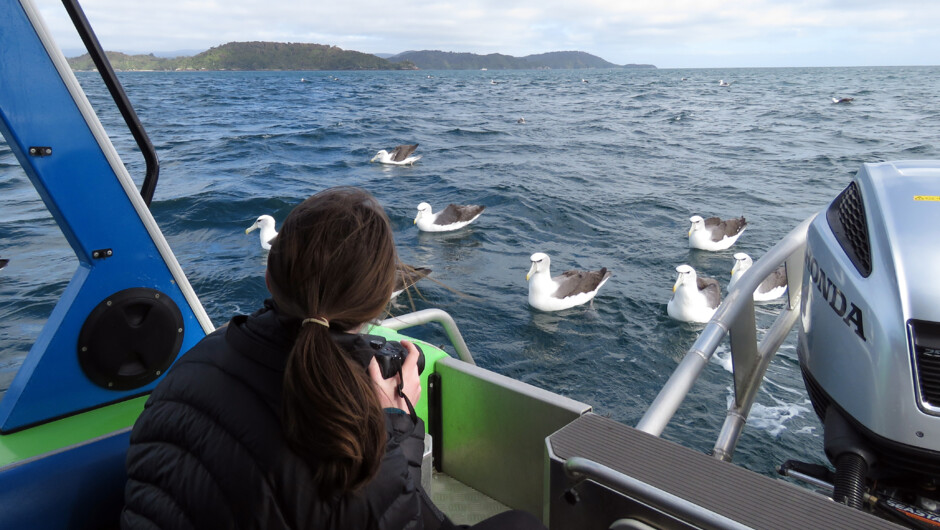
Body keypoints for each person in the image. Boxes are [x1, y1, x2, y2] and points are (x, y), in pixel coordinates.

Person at [122, 187, 545, 530]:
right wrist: (395, 428)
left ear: (269, 278)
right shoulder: (357, 448)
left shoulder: (192, 364)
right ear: (380, 304)